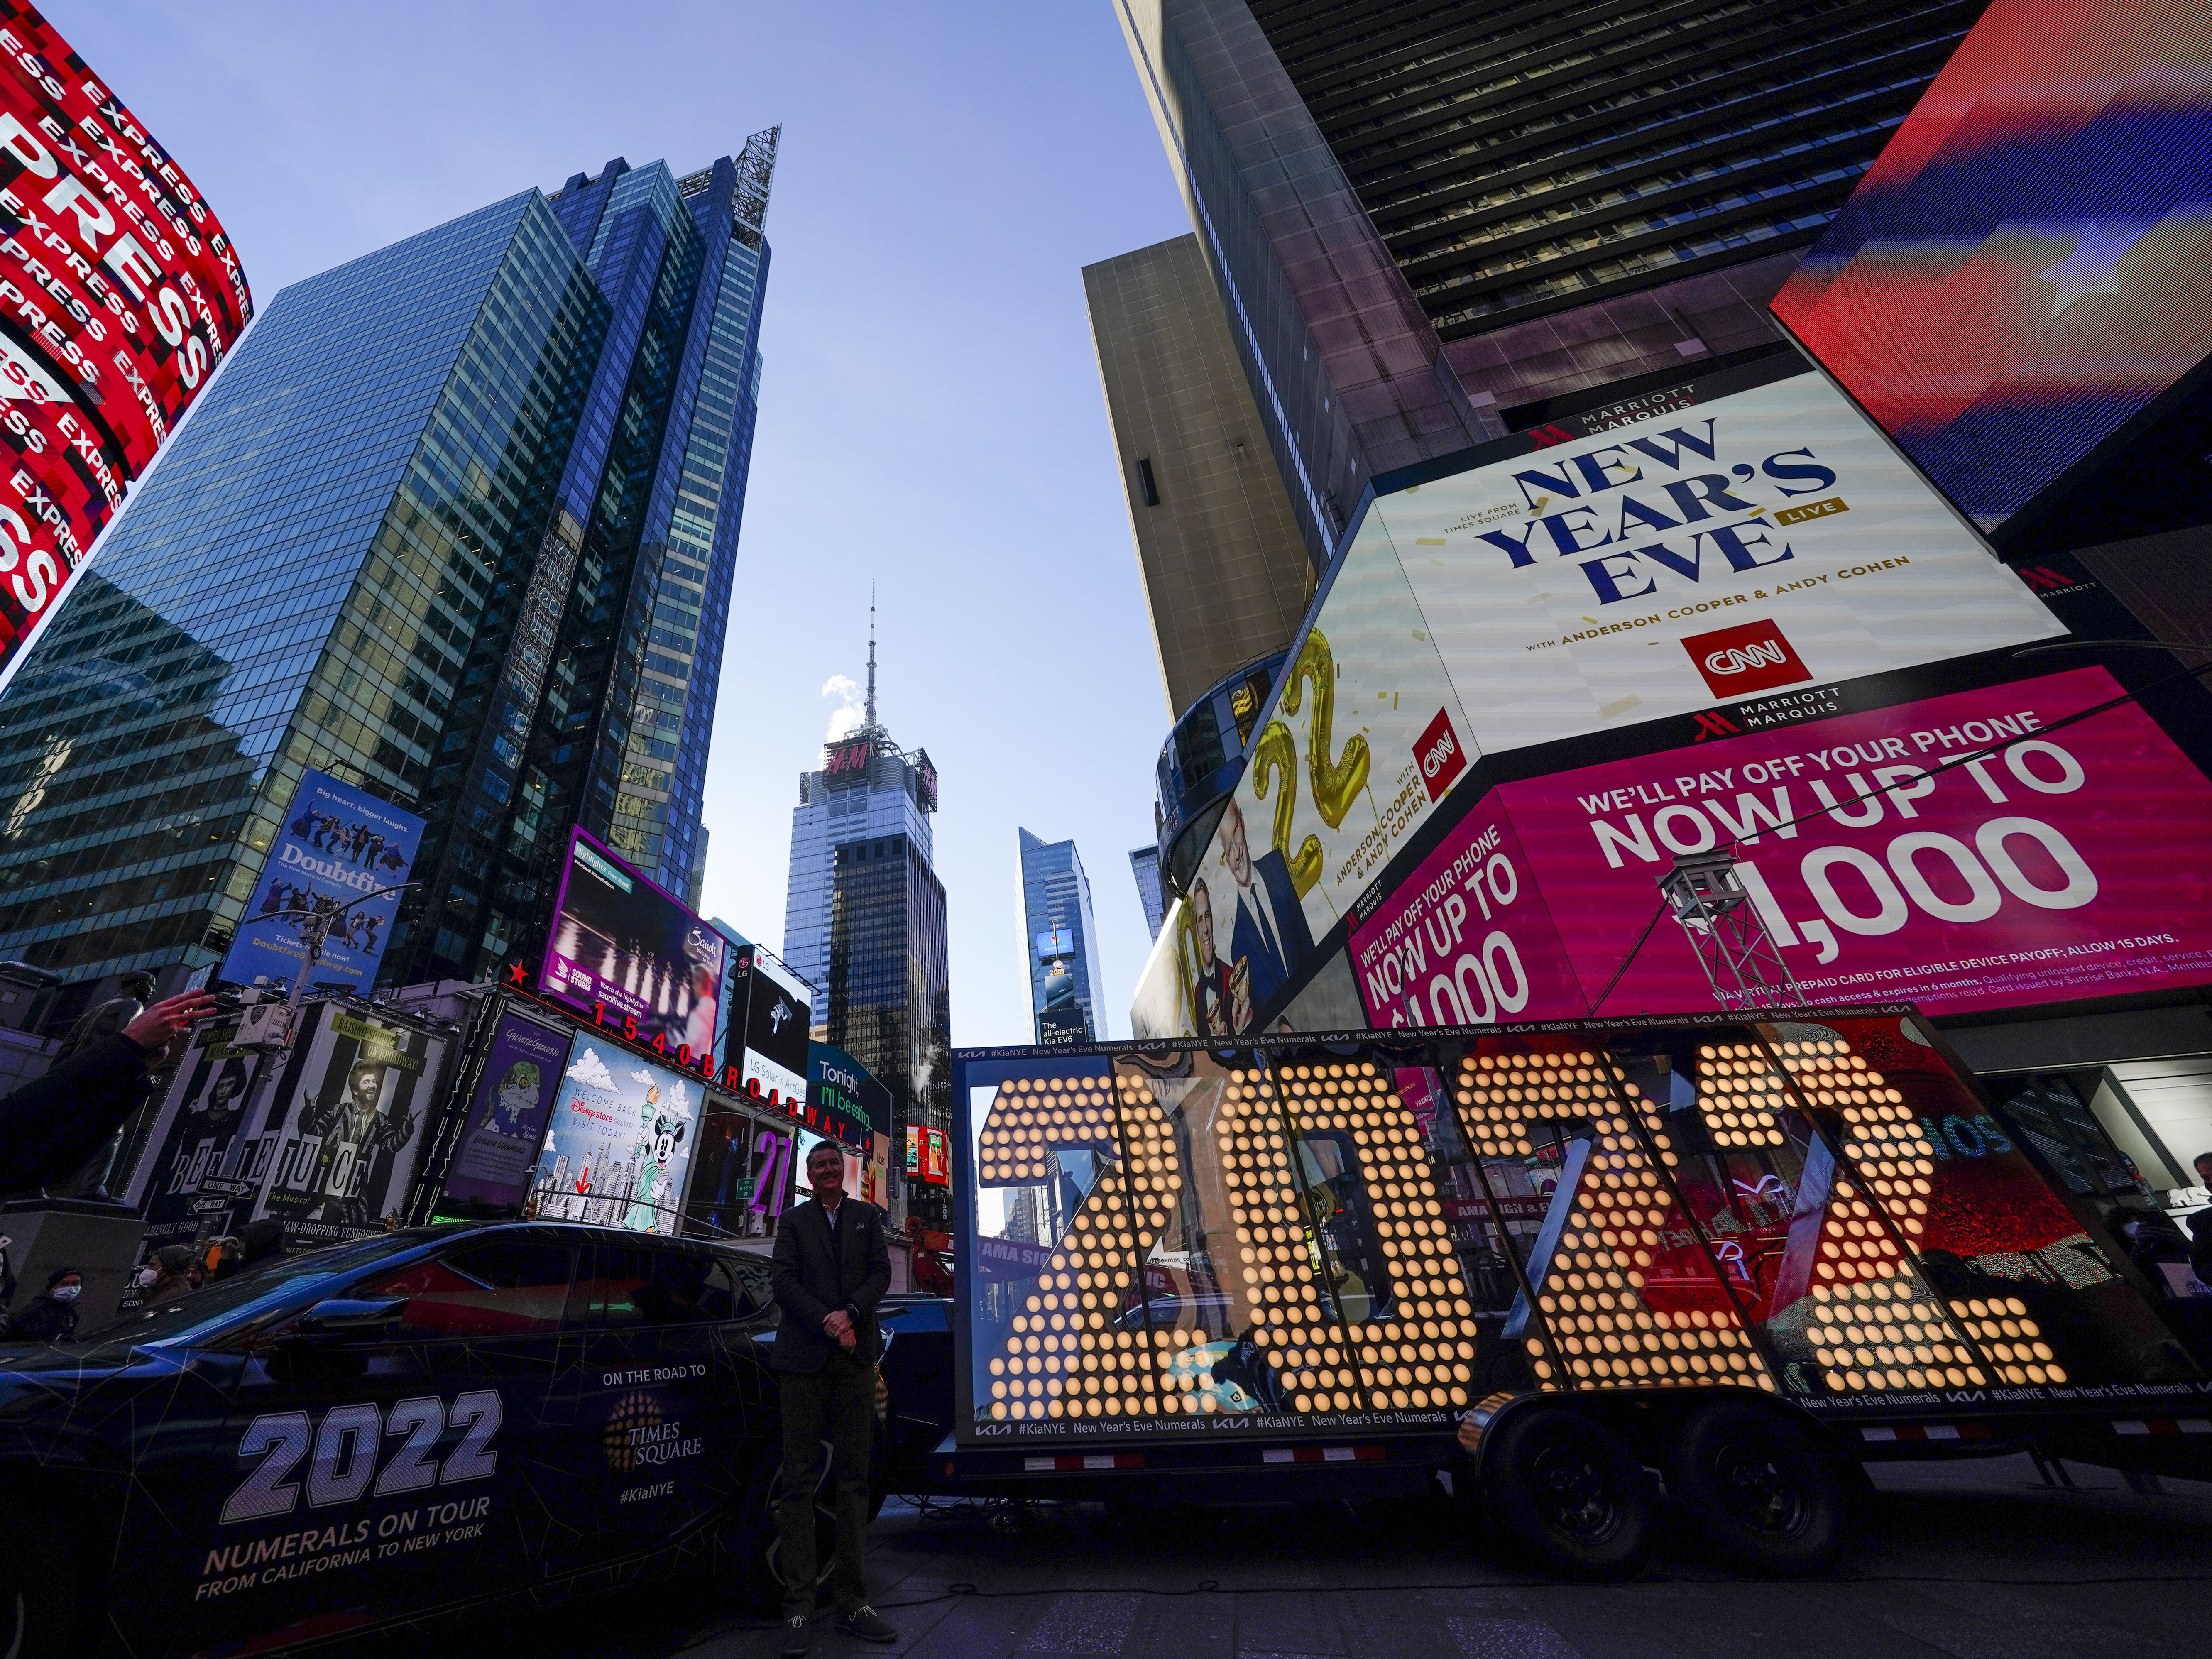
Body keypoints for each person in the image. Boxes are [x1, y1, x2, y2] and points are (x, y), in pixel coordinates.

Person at [769, 1140, 896, 1654]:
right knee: (798, 1482)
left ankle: (853, 1600)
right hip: (803, 1362)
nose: (825, 1170)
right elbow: (782, 1280)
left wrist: (852, 1313)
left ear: (844, 1171)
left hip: (854, 1362)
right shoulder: (793, 1222)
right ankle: (799, 1607)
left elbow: (881, 1275)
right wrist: (827, 1319)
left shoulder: (867, 1216)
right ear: (809, 1172)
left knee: (854, 1481)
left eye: (832, 1164)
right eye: (817, 1164)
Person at [0, 989, 218, 1192]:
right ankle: (92, 1188)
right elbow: (14, 1126)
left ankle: (89, 1188)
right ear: (138, 985)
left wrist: (135, 1064)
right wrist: (129, 1047)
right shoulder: (131, 1008)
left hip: (96, 1084)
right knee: (114, 1137)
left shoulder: (99, 1009)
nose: (151, 991)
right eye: (149, 986)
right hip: (93, 1082)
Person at [1219, 797, 1313, 1019]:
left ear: (1243, 822)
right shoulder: (1237, 947)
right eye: (1228, 848)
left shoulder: (1279, 866)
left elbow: (1307, 940)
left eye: (1236, 834)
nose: (1237, 854)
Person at [5, 1267, 83, 1342]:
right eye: (64, 1284)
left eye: (75, 1284)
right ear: (53, 1287)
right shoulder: (37, 1311)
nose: (71, 1288)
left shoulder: (71, 1313)